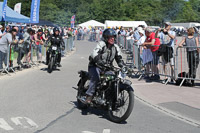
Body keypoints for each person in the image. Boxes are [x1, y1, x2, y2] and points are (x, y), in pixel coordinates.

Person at [84, 28, 126, 104]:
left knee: (114, 78)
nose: (112, 38)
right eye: (110, 37)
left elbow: (119, 59)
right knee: (96, 77)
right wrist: (98, 60)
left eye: (113, 37)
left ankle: (109, 97)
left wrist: (123, 66)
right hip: (95, 66)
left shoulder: (115, 47)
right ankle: (89, 95)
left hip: (107, 68)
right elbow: (94, 53)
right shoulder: (101, 44)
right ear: (106, 37)